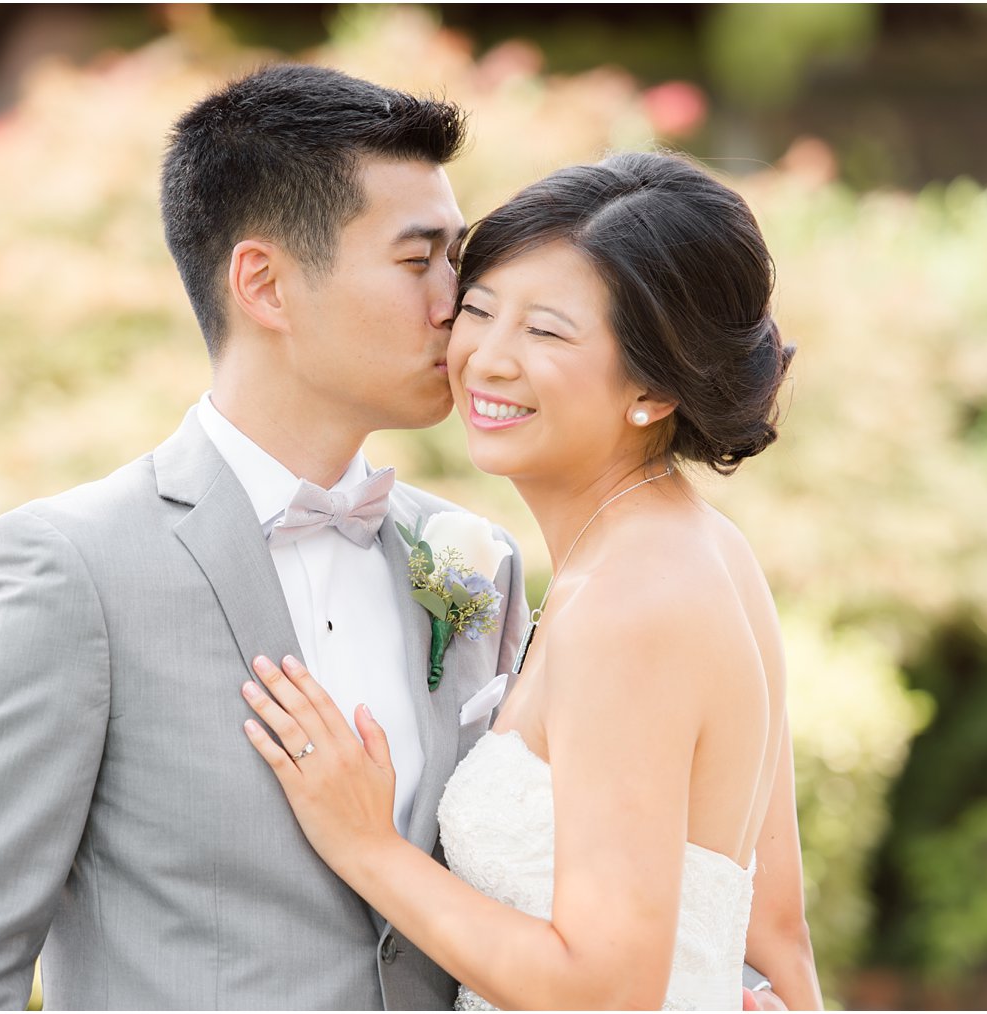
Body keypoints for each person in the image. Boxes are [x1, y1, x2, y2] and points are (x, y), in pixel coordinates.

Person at [0, 64, 530, 1010]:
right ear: (263, 283)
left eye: (457, 258)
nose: (456, 303)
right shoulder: (75, 568)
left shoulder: (474, 559)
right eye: (416, 258)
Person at [239, 152, 824, 1010]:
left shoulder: (632, 601)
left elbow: (603, 989)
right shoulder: (702, 548)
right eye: (478, 309)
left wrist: (367, 845)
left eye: (546, 332)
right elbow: (777, 935)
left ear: (655, 387)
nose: (485, 358)